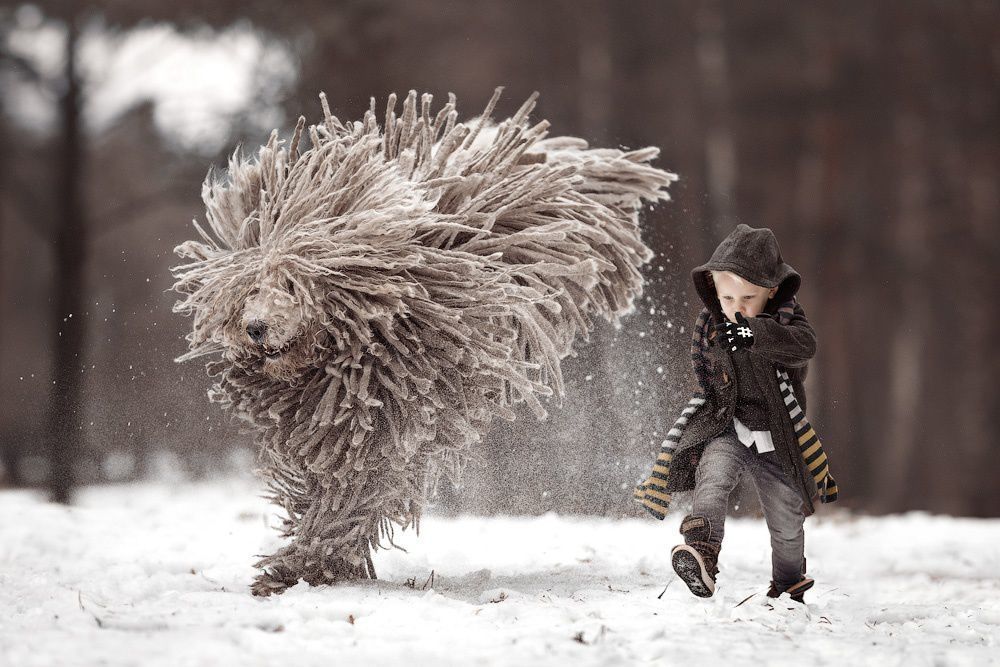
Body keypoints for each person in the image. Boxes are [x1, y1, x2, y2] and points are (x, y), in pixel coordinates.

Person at [634, 224, 838, 603]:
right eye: (728, 297)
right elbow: (706, 372)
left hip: (777, 434)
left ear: (772, 292)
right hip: (727, 426)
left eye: (749, 297)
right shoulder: (710, 325)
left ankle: (789, 581)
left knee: (786, 518)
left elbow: (803, 347)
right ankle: (702, 553)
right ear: (714, 289)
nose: (737, 307)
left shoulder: (788, 322)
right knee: (711, 482)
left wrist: (753, 335)